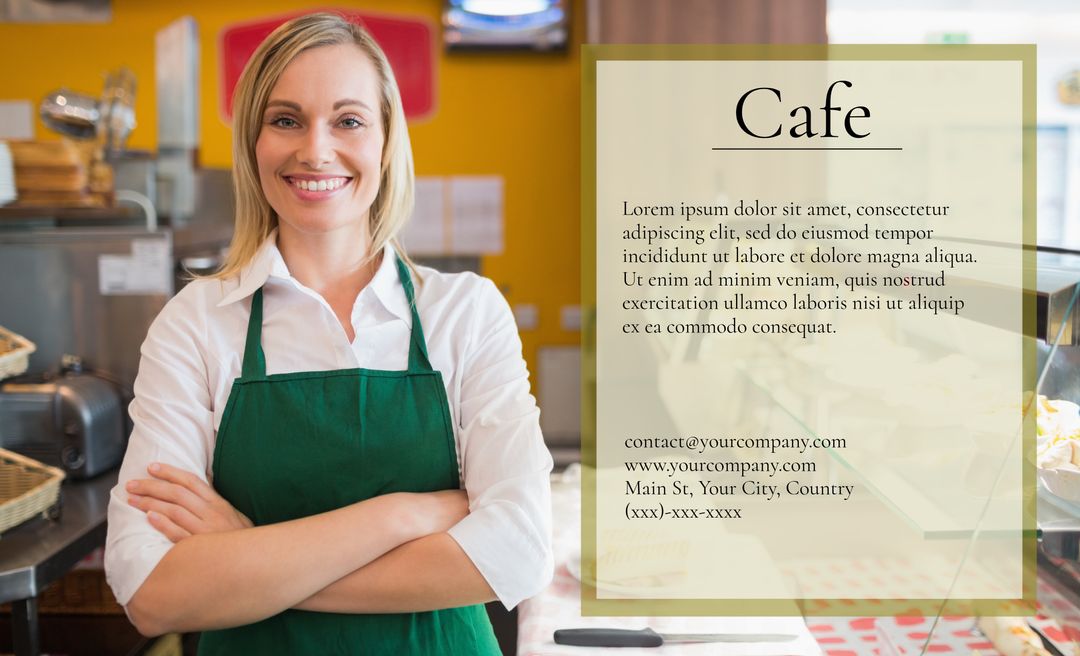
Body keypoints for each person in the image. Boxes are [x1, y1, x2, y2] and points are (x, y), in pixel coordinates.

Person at [104, 12, 554, 655]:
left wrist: (243, 549)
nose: (315, 150)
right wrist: (402, 515)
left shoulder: (466, 313)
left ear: (386, 139)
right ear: (253, 142)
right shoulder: (196, 324)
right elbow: (151, 591)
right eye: (285, 119)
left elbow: (517, 554)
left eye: (348, 120)